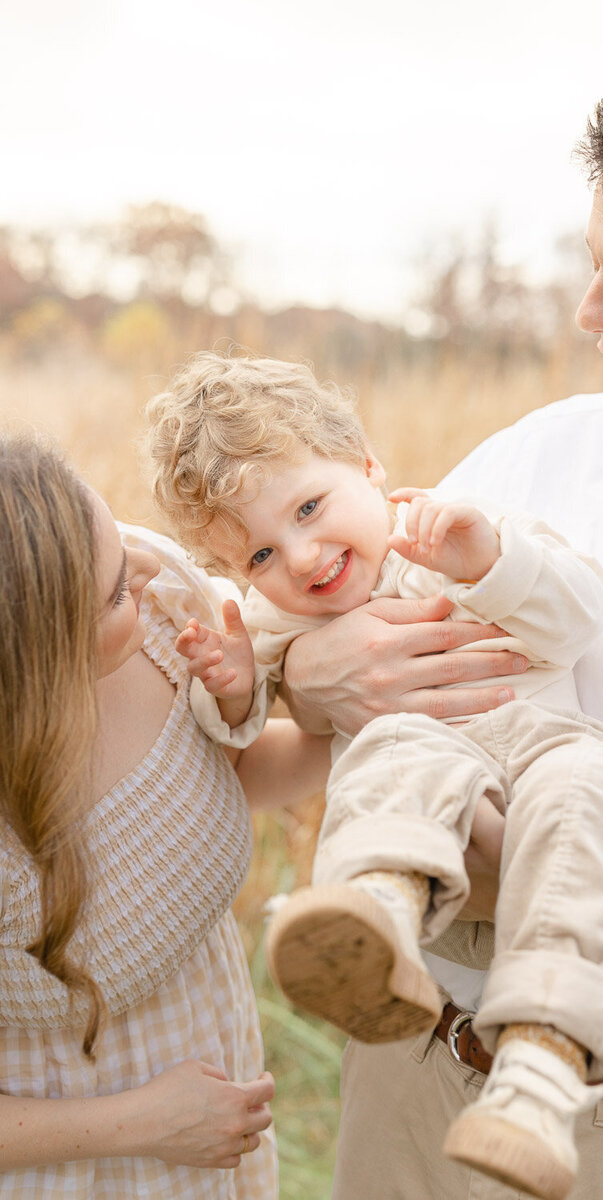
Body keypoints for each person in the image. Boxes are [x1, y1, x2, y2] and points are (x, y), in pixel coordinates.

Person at [257, 53, 603, 1200]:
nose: (588, 315)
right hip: (409, 1089)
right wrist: (311, 670)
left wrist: (540, 879)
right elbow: (349, 641)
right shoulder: (530, 456)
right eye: (591, 267)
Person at [145, 351, 603, 1199]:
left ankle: (540, 1077)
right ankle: (376, 928)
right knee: (397, 750)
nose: (303, 556)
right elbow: (248, 724)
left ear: (367, 465)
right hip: (437, 796)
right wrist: (235, 676)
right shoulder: (279, 621)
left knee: (598, 792)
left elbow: (580, 618)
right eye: (259, 556)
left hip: (547, 748)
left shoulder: (453, 530)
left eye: (311, 507)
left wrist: (490, 558)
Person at [0, 434, 283, 1197]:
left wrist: (345, 697)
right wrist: (148, 1123)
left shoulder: (161, 603)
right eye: (117, 590)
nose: (153, 570)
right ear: (38, 660)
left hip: (216, 1136)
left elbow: (221, 778)